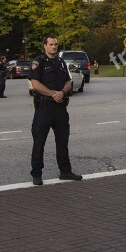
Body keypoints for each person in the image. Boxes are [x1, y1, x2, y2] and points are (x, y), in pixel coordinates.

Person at [29, 36, 83, 184]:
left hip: (60, 107)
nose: (54, 47)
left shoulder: (60, 62)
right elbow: (35, 83)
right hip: (44, 107)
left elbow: (68, 81)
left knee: (62, 141)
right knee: (39, 142)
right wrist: (53, 93)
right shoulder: (38, 62)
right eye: (51, 44)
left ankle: (65, 171)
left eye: (56, 44)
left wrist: (62, 92)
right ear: (45, 46)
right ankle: (37, 174)